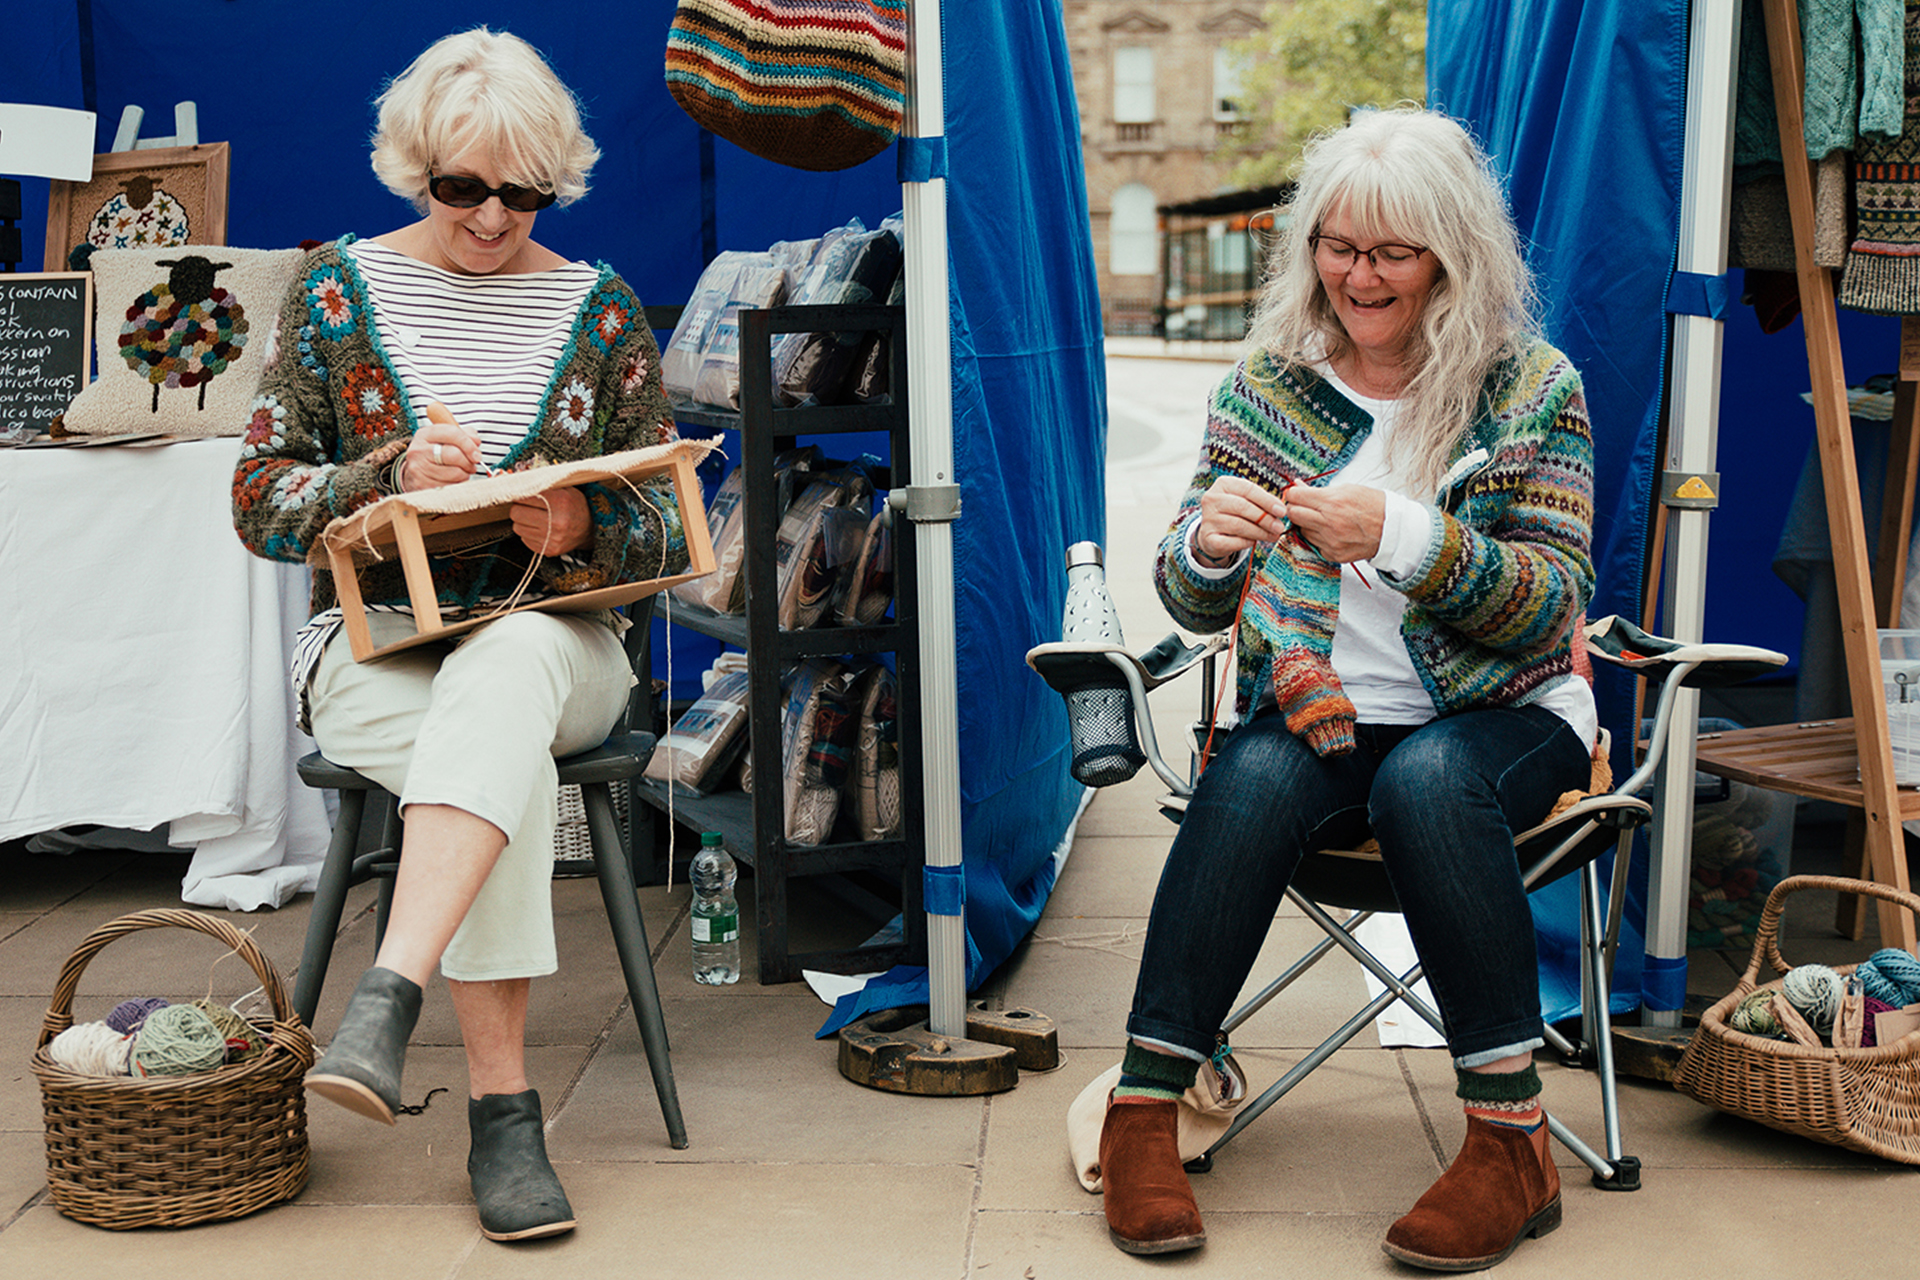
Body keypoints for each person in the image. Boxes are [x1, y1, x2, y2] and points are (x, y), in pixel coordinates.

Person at [1098, 107, 1597, 1272]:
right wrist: (1211, 546)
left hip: (1508, 716)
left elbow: (1549, 601)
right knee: (1254, 772)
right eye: (1337, 244)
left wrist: (1408, 538)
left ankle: (1511, 1138)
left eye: (1392, 252)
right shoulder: (1272, 383)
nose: (1357, 276)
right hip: (1328, 714)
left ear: (1450, 255)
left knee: (1426, 779)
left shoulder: (1531, 388)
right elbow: (1189, 599)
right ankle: (1143, 1105)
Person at [231, 28, 689, 1243]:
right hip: (378, 654)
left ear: (557, 180)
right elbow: (258, 500)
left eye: (522, 191)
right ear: (413, 167)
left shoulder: (599, 313)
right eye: (461, 187)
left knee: (514, 658)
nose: (492, 216)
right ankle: (505, 1120)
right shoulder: (332, 293)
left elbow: (662, 536)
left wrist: (588, 513)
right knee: (505, 762)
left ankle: (389, 997)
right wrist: (382, 476)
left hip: (564, 648)